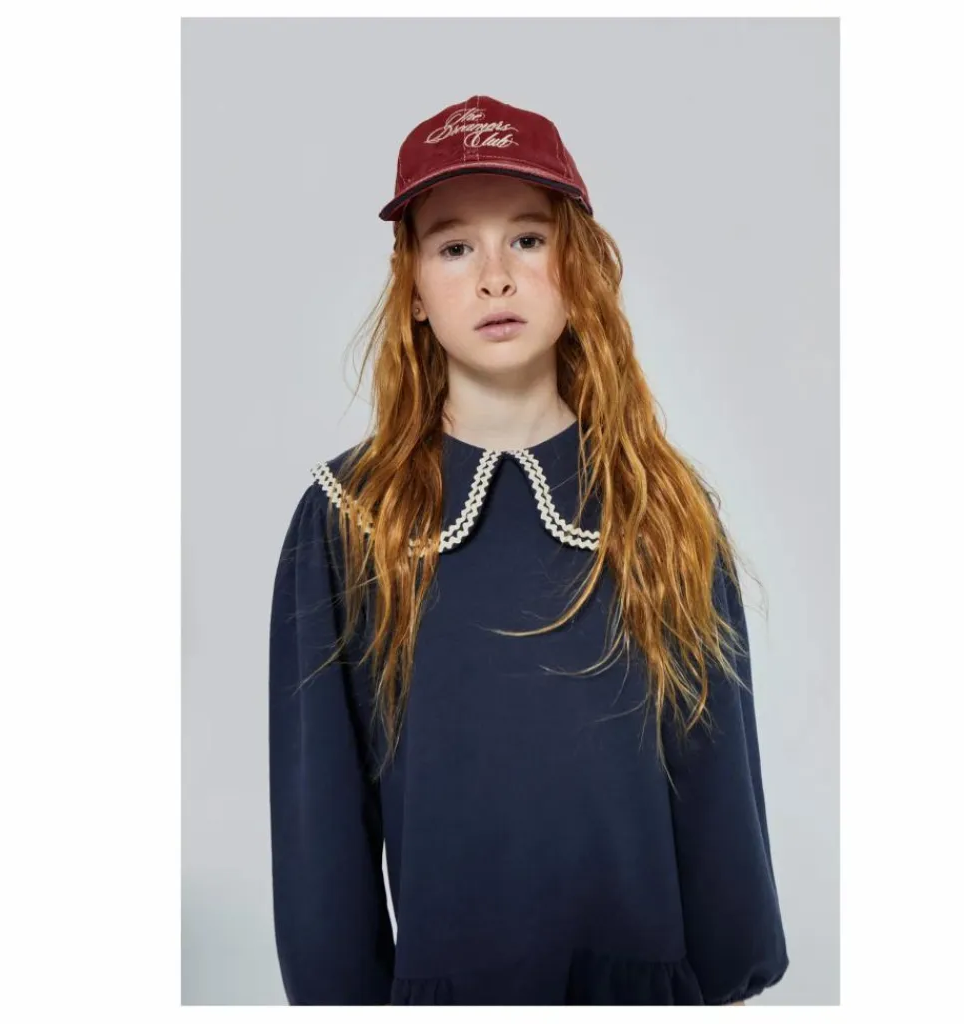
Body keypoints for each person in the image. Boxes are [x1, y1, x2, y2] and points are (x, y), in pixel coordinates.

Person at [268, 95, 789, 1006]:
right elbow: (320, 816)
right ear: (414, 290)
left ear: (574, 269)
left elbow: (718, 781)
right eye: (454, 247)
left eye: (528, 239)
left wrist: (727, 980)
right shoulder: (349, 518)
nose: (495, 277)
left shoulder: (662, 507)